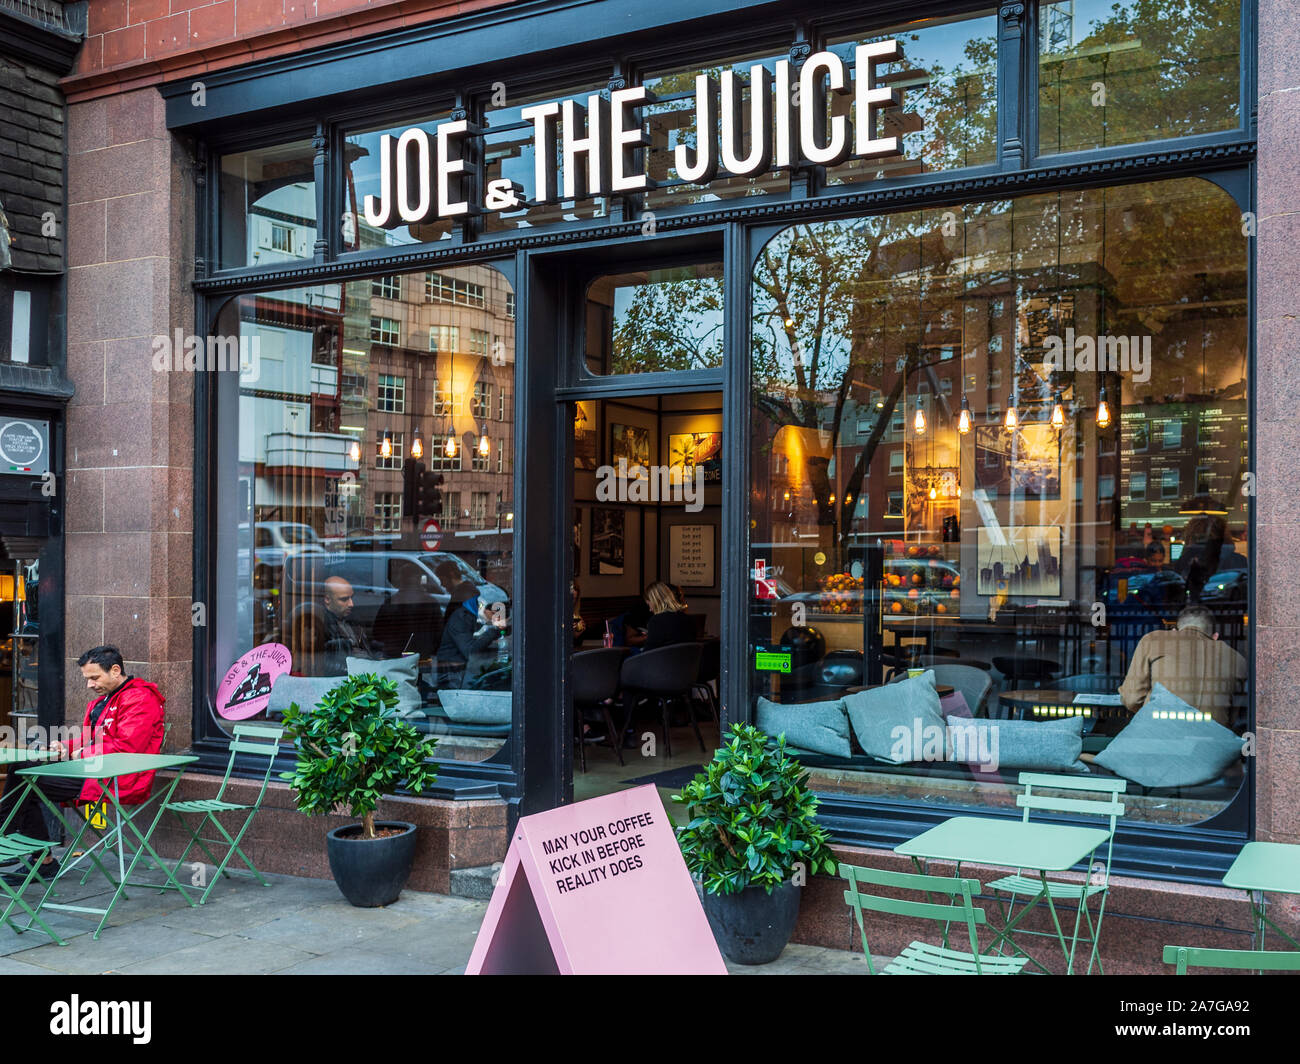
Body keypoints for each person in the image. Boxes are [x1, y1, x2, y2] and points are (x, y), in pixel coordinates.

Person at [0, 646, 165, 885]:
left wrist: (82, 752)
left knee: (27, 778)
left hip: (118, 777)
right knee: (22, 767)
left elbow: (128, 747)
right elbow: (92, 737)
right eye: (87, 679)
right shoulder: (106, 699)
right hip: (93, 770)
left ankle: (15, 840)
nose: (89, 685)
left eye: (94, 677)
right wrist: (65, 746)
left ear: (116, 670)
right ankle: (27, 849)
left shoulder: (140, 698)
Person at [1119, 604, 1248, 726]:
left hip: (1158, 737)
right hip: (1212, 744)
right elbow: (1231, 717)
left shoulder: (1154, 640)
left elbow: (1132, 699)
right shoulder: (1238, 660)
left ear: (1175, 631)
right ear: (1215, 636)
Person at [437, 583, 508, 688]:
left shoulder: (474, 618)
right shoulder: (461, 618)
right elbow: (470, 650)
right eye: (493, 613)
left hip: (466, 670)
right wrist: (495, 630)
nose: (495, 617)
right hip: (453, 672)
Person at [372, 561, 442, 658]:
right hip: (422, 655)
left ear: (401, 580)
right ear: (419, 579)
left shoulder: (392, 602)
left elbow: (377, 633)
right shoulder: (431, 602)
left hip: (395, 655)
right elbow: (438, 635)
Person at [320, 575, 374, 674]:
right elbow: (326, 664)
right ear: (327, 600)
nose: (351, 604)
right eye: (344, 599)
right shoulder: (323, 626)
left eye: (351, 598)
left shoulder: (352, 620)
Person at [644, 580, 696, 650]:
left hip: (662, 660)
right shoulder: (688, 619)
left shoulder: (656, 621)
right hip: (686, 660)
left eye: (649, 605)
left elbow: (648, 652)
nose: (650, 610)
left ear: (656, 602)